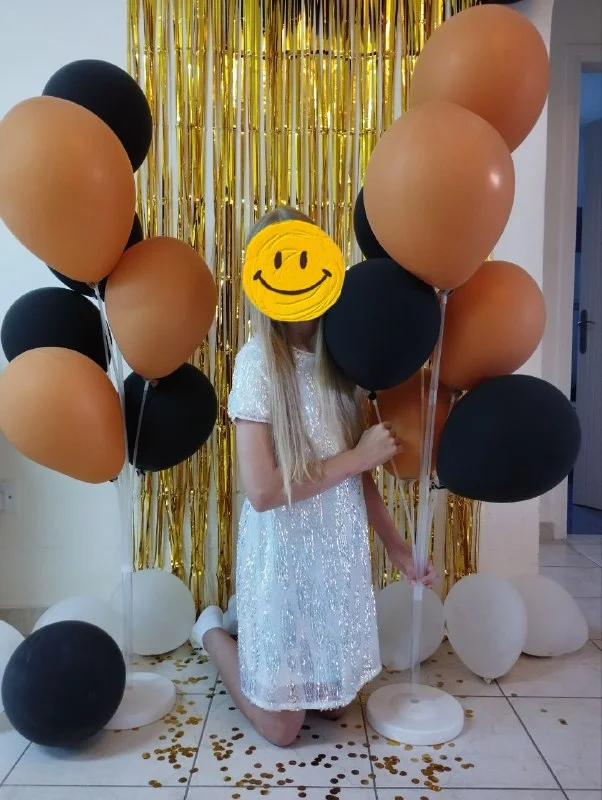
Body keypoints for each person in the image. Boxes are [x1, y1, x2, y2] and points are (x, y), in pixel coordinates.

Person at [191, 206, 437, 747]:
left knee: (336, 705)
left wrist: (397, 546)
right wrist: (358, 458)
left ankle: (254, 642)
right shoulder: (258, 362)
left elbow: (360, 476)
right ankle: (211, 630)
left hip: (335, 552)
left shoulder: (341, 359)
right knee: (283, 728)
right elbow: (262, 492)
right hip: (283, 558)